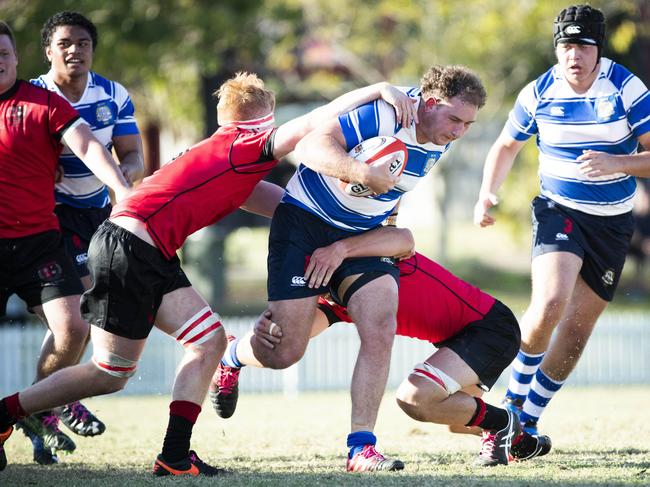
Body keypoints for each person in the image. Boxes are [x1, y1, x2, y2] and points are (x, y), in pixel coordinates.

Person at [0, 71, 418, 476]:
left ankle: (175, 456)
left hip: (140, 246)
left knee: (208, 341)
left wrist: (339, 222)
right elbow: (317, 119)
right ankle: (6, 413)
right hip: (130, 247)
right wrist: (378, 89)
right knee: (110, 372)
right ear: (265, 117)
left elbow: (278, 203)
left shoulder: (220, 150)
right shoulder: (250, 144)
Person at [211, 65, 487, 472]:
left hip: (360, 238)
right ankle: (232, 356)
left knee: (380, 326)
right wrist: (362, 173)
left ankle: (361, 448)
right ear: (428, 103)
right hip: (304, 225)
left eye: (468, 123)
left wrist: (381, 229)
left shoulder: (443, 135)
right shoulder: (389, 112)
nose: (460, 131)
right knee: (285, 352)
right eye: (454, 119)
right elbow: (309, 148)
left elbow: (395, 183)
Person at [473, 4, 650, 436]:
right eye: (567, 45)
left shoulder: (627, 89)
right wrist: (486, 193)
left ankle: (527, 424)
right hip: (558, 210)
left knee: (575, 332)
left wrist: (618, 162)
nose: (574, 55)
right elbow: (506, 146)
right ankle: (510, 408)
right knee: (551, 303)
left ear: (598, 49)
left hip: (612, 223)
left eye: (583, 46)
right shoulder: (539, 92)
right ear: (557, 48)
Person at [0, 20, 131, 471]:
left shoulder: (43, 102)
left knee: (74, 326)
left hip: (40, 240)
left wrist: (122, 190)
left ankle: (36, 410)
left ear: (17, 59)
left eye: (4, 53)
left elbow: (91, 147)